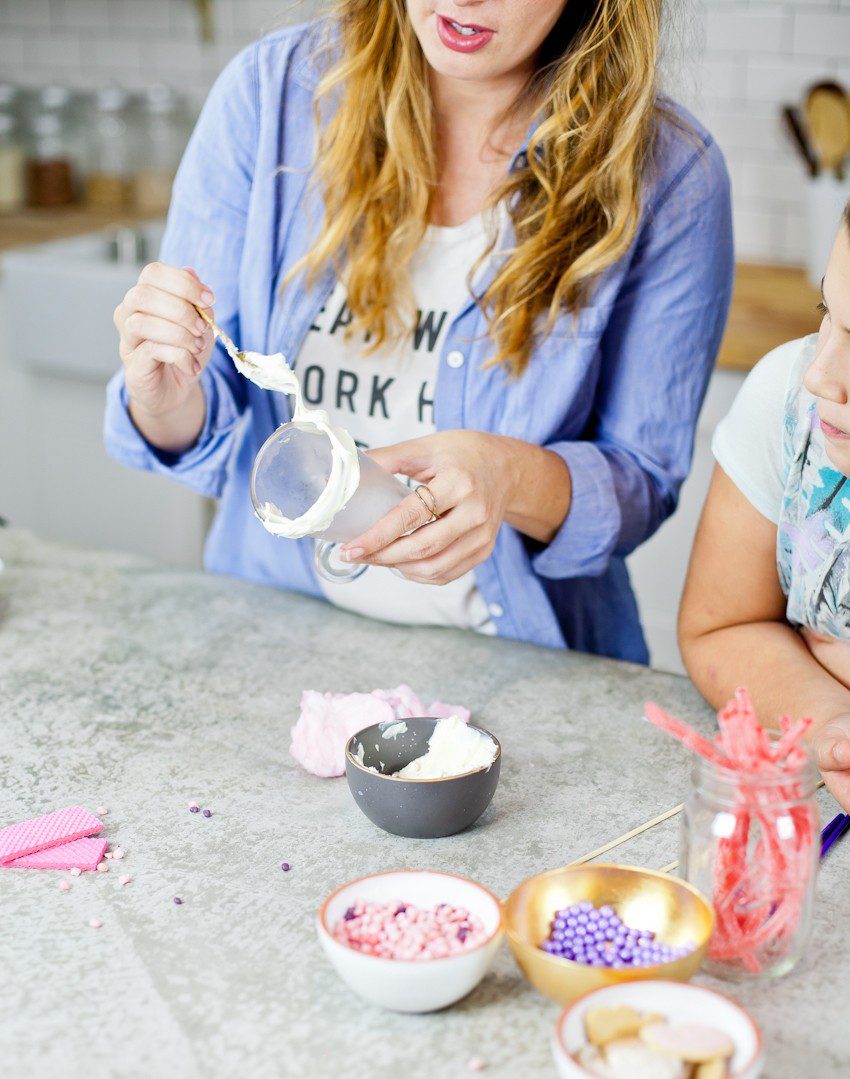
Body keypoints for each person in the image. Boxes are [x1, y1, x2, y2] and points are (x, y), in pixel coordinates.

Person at [107, 1, 733, 658]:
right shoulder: (272, 96)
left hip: (519, 664)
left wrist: (508, 477)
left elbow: (642, 482)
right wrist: (167, 398)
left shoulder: (669, 174)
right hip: (274, 639)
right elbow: (202, 423)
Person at [679, 204, 850, 809]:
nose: (821, 376)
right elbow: (723, 628)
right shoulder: (790, 401)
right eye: (828, 313)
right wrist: (833, 724)